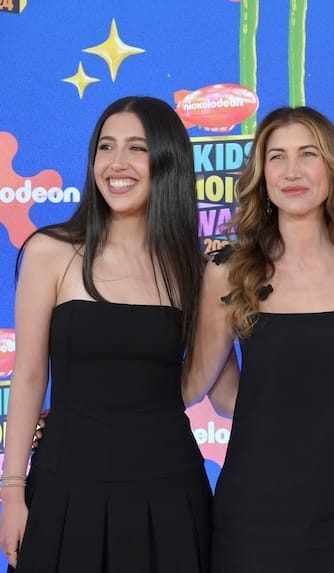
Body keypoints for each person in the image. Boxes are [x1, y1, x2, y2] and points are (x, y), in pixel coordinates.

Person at [183, 106, 334, 572]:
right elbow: (206, 388)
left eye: (308, 154)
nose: (292, 171)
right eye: (277, 157)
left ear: (333, 168)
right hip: (259, 516)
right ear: (262, 175)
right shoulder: (229, 272)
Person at [0, 97, 212, 572]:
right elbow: (30, 376)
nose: (117, 164)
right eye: (105, 147)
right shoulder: (50, 252)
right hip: (64, 489)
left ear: (167, 161)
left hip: (169, 494)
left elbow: (216, 384)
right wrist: (12, 491)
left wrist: (332, 403)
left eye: (137, 148)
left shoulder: (194, 269)